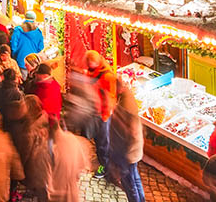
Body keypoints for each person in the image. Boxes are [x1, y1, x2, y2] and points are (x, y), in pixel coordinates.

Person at [108, 82, 145, 202]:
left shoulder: (125, 108)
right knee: (135, 177)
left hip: (127, 154)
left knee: (130, 184)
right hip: (132, 152)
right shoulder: (127, 100)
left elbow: (128, 133)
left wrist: (123, 153)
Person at [84, 50, 115, 179]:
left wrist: (105, 114)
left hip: (103, 114)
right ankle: (103, 162)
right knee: (99, 141)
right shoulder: (93, 71)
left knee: (103, 142)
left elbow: (110, 97)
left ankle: (106, 167)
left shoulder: (107, 75)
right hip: (96, 112)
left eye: (91, 62)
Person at [48, 119, 89, 202]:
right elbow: (82, 165)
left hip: (56, 194)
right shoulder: (72, 139)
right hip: (72, 192)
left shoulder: (50, 149)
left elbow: (43, 179)